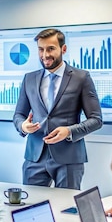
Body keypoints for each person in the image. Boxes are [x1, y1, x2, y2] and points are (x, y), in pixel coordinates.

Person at [13, 28, 102, 190]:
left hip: (69, 158)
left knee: (66, 210)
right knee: (31, 208)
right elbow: (19, 114)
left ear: (64, 49)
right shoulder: (29, 79)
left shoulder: (81, 78)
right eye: (41, 49)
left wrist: (68, 131)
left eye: (51, 49)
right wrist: (23, 126)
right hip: (35, 158)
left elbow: (96, 120)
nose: (45, 55)